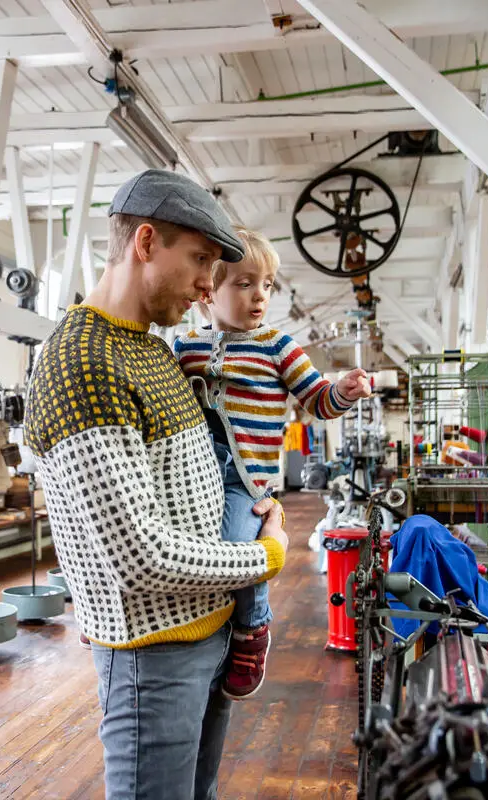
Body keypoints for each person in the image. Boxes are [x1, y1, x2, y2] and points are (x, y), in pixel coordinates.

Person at [24, 170, 289, 800]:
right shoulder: (82, 364)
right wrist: (266, 556)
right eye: (200, 259)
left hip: (210, 631)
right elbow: (140, 557)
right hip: (154, 655)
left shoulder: (153, 351)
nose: (208, 284)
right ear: (146, 242)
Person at [173, 226, 373, 700]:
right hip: (192, 471)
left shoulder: (279, 348)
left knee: (238, 547)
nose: (259, 296)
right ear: (208, 292)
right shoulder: (185, 347)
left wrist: (341, 390)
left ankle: (254, 626)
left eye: (266, 285)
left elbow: (317, 400)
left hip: (246, 480)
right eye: (244, 284)